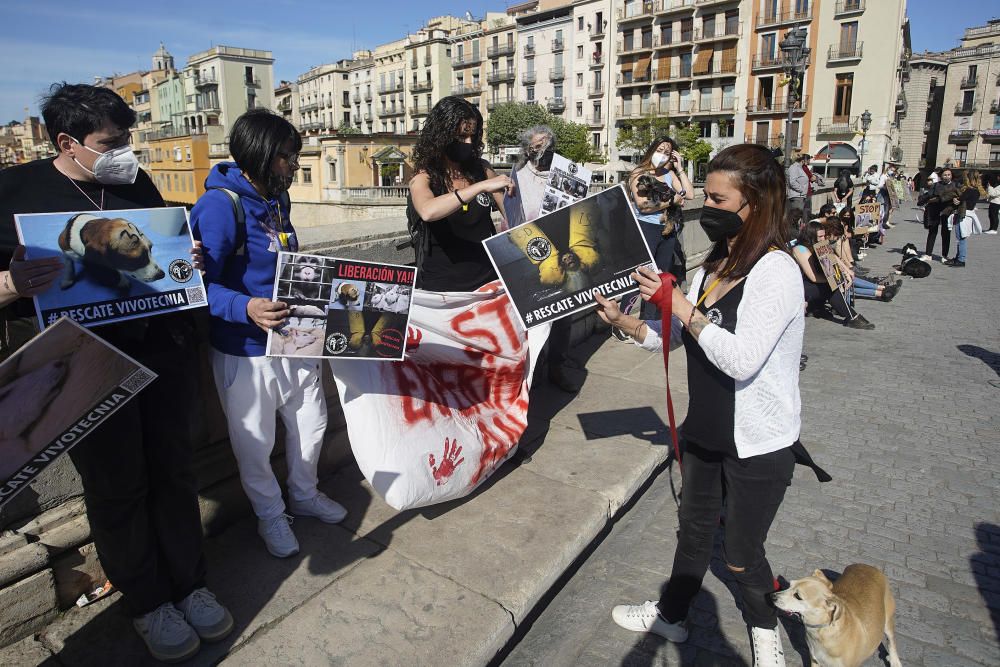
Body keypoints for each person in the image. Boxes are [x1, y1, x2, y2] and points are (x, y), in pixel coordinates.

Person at [0, 83, 232, 663]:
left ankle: (190, 584)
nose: (125, 149)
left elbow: (165, 253)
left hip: (162, 354)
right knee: (117, 486)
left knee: (174, 472)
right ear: (67, 142)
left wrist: (190, 258)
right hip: (82, 366)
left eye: (128, 137)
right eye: (112, 140)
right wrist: (10, 285)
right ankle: (148, 601)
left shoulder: (134, 183)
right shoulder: (15, 191)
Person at [597, 144, 807, 666]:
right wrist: (630, 325)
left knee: (740, 556)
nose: (705, 206)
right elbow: (677, 336)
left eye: (717, 197)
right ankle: (672, 616)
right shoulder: (716, 262)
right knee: (691, 534)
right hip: (707, 429)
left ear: (754, 202)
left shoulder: (777, 272)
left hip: (758, 441)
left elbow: (740, 359)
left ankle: (764, 634)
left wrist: (684, 308)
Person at [192, 109, 347, 560]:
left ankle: (304, 493)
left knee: (312, 424)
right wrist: (246, 307)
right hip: (245, 351)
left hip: (296, 337)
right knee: (255, 444)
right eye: (287, 156)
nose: (295, 165)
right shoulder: (220, 205)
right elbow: (198, 284)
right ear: (261, 155)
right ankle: (270, 515)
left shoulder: (279, 199)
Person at [504, 125, 585, 393]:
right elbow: (510, 215)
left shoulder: (565, 173)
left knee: (562, 317)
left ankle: (557, 367)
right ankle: (532, 369)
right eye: (538, 145)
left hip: (561, 250)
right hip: (528, 252)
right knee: (529, 316)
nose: (544, 149)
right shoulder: (516, 175)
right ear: (527, 148)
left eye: (548, 144)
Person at [408, 96, 512, 292]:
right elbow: (428, 211)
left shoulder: (482, 169)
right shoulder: (424, 176)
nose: (469, 143)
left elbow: (514, 217)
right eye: (462, 137)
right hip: (442, 291)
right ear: (442, 136)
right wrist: (479, 187)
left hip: (488, 283)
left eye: (473, 136)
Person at [627, 136, 695, 318]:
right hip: (645, 228)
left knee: (660, 276)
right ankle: (623, 321)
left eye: (667, 153)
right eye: (660, 150)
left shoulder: (668, 174)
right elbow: (643, 205)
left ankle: (649, 319)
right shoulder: (639, 173)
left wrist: (679, 167)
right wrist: (672, 201)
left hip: (667, 230)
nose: (662, 155)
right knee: (639, 274)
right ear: (652, 150)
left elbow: (689, 194)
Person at [791, 221, 875, 329]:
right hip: (798, 286)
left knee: (832, 283)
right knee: (829, 286)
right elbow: (813, 277)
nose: (823, 239)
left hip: (809, 283)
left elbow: (833, 259)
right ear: (811, 236)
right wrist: (835, 280)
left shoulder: (818, 246)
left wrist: (845, 273)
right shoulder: (801, 250)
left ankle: (818, 307)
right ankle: (852, 317)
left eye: (823, 236)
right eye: (820, 236)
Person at [506, 125, 555, 228]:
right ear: (528, 151)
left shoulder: (562, 174)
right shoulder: (516, 180)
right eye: (538, 146)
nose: (543, 151)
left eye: (548, 146)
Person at [923, 168, 960, 261]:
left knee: (946, 233)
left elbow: (961, 197)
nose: (947, 177)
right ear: (941, 176)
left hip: (948, 211)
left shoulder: (956, 185)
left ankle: (944, 255)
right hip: (935, 210)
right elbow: (929, 196)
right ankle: (928, 254)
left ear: (951, 176)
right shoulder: (936, 185)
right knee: (932, 231)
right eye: (945, 175)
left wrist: (957, 201)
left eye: (948, 175)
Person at [785, 154, 809, 218]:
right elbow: (792, 181)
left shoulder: (799, 168)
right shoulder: (794, 167)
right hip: (796, 197)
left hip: (800, 196)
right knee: (796, 217)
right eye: (807, 160)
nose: (808, 161)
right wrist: (801, 189)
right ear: (803, 160)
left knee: (799, 217)